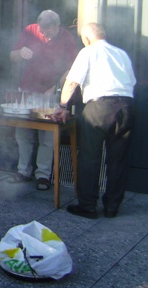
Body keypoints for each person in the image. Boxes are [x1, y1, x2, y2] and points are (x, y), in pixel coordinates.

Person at [52, 22, 136, 219]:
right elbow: (131, 82)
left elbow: (72, 81)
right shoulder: (121, 53)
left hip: (99, 107)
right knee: (118, 159)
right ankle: (112, 207)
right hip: (126, 107)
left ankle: (88, 206)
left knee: (90, 157)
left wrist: (63, 106)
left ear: (87, 39)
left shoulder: (88, 52)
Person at [8, 10, 79, 190]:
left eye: (48, 31)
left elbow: (72, 69)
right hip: (27, 88)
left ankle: (43, 175)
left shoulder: (66, 38)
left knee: (47, 136)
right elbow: (12, 56)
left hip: (50, 92)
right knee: (22, 132)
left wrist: (56, 88)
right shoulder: (30, 30)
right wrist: (19, 53)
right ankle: (23, 171)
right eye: (42, 30)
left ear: (57, 26)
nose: (44, 34)